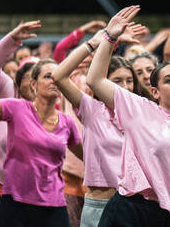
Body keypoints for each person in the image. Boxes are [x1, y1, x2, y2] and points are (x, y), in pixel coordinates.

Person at [85, 6, 170, 227]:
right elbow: (95, 80)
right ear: (155, 91)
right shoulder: (140, 109)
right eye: (169, 80)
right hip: (132, 210)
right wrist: (110, 37)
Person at [51, 24, 145, 227]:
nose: (125, 86)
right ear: (103, 84)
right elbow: (58, 76)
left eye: (129, 80)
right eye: (118, 80)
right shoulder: (92, 110)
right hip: (100, 206)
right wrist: (97, 42)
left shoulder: (141, 113)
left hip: (135, 206)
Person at [0, 21, 41, 227]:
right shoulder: (7, 94)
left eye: (41, 77)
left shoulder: (51, 110)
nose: (35, 82)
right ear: (19, 80)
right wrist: (12, 40)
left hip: (26, 194)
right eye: (30, 77)